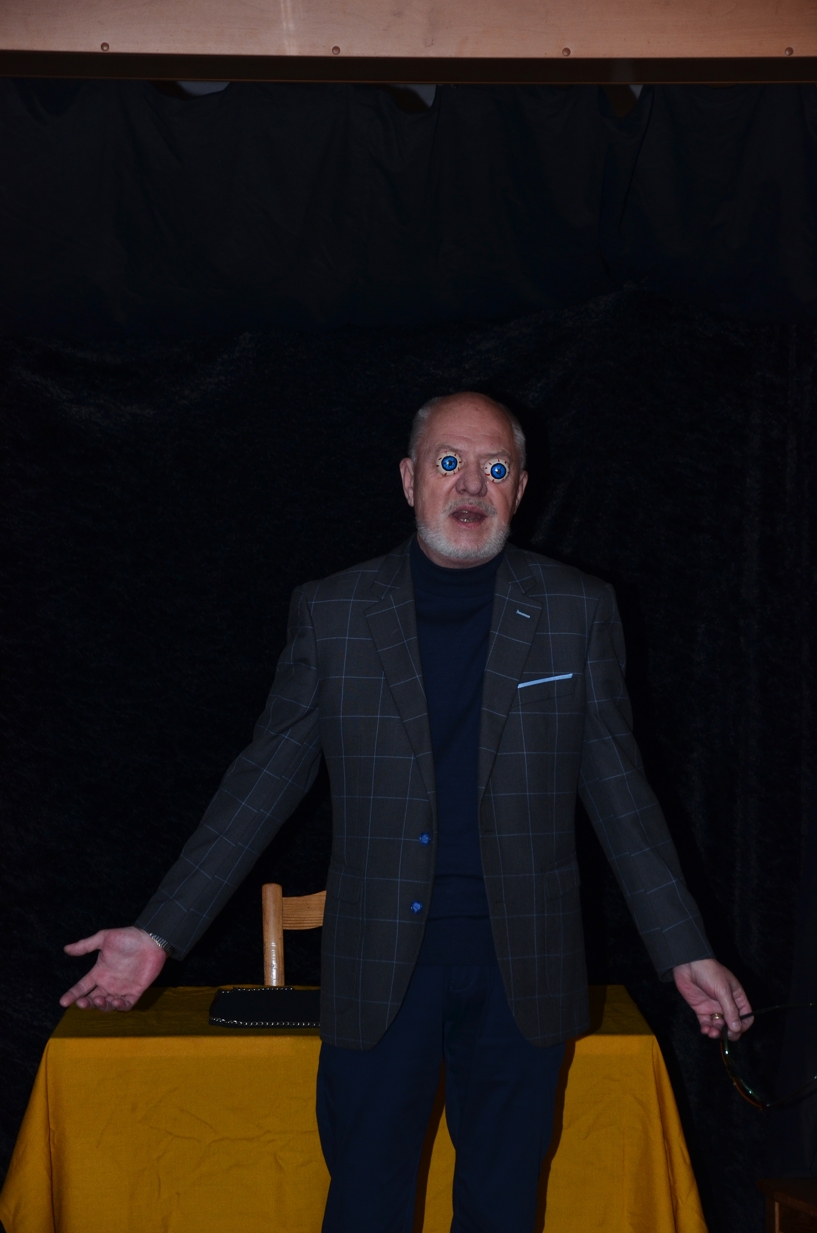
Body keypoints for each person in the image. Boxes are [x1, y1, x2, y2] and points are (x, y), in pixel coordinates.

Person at [61, 392, 753, 1233]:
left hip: (524, 972)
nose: (470, 484)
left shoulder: (576, 609)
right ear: (407, 478)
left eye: (494, 467)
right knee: (366, 1208)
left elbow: (621, 792)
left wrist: (683, 946)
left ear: (520, 488)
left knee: (503, 1211)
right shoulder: (334, 611)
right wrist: (158, 932)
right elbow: (261, 782)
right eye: (448, 462)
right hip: (378, 969)